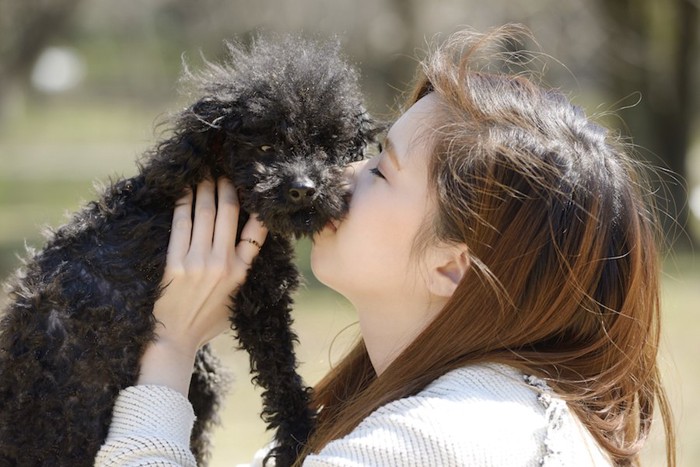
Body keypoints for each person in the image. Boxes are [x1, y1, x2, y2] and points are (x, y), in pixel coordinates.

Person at [95, 25, 676, 466]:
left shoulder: (438, 441)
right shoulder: (481, 409)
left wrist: (168, 353)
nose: (342, 173)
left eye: (380, 171)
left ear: (450, 267)